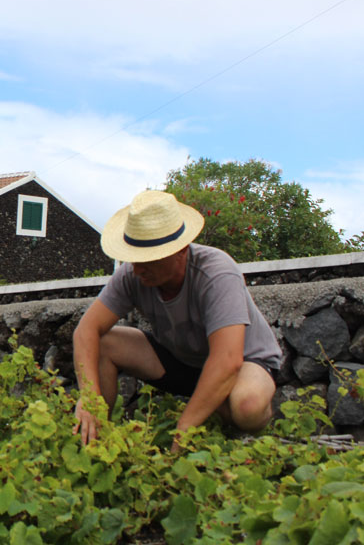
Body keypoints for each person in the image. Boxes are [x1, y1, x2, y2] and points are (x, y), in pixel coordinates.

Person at [72, 190, 281, 452]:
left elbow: (227, 360)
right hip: (181, 360)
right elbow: (86, 330)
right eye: (133, 258)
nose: (137, 270)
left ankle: (253, 437)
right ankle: (99, 439)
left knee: (247, 406)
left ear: (180, 251)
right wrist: (90, 397)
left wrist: (183, 431)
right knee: (103, 342)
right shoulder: (133, 273)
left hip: (245, 363)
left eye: (148, 259)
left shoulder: (216, 272)